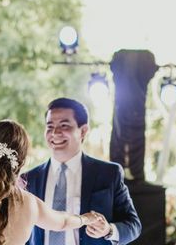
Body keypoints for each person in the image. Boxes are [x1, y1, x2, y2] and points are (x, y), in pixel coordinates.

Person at [24, 98, 141, 245]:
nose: (55, 132)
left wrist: (108, 230)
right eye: (50, 126)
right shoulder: (28, 179)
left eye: (64, 125)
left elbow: (133, 225)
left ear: (83, 130)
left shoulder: (109, 173)